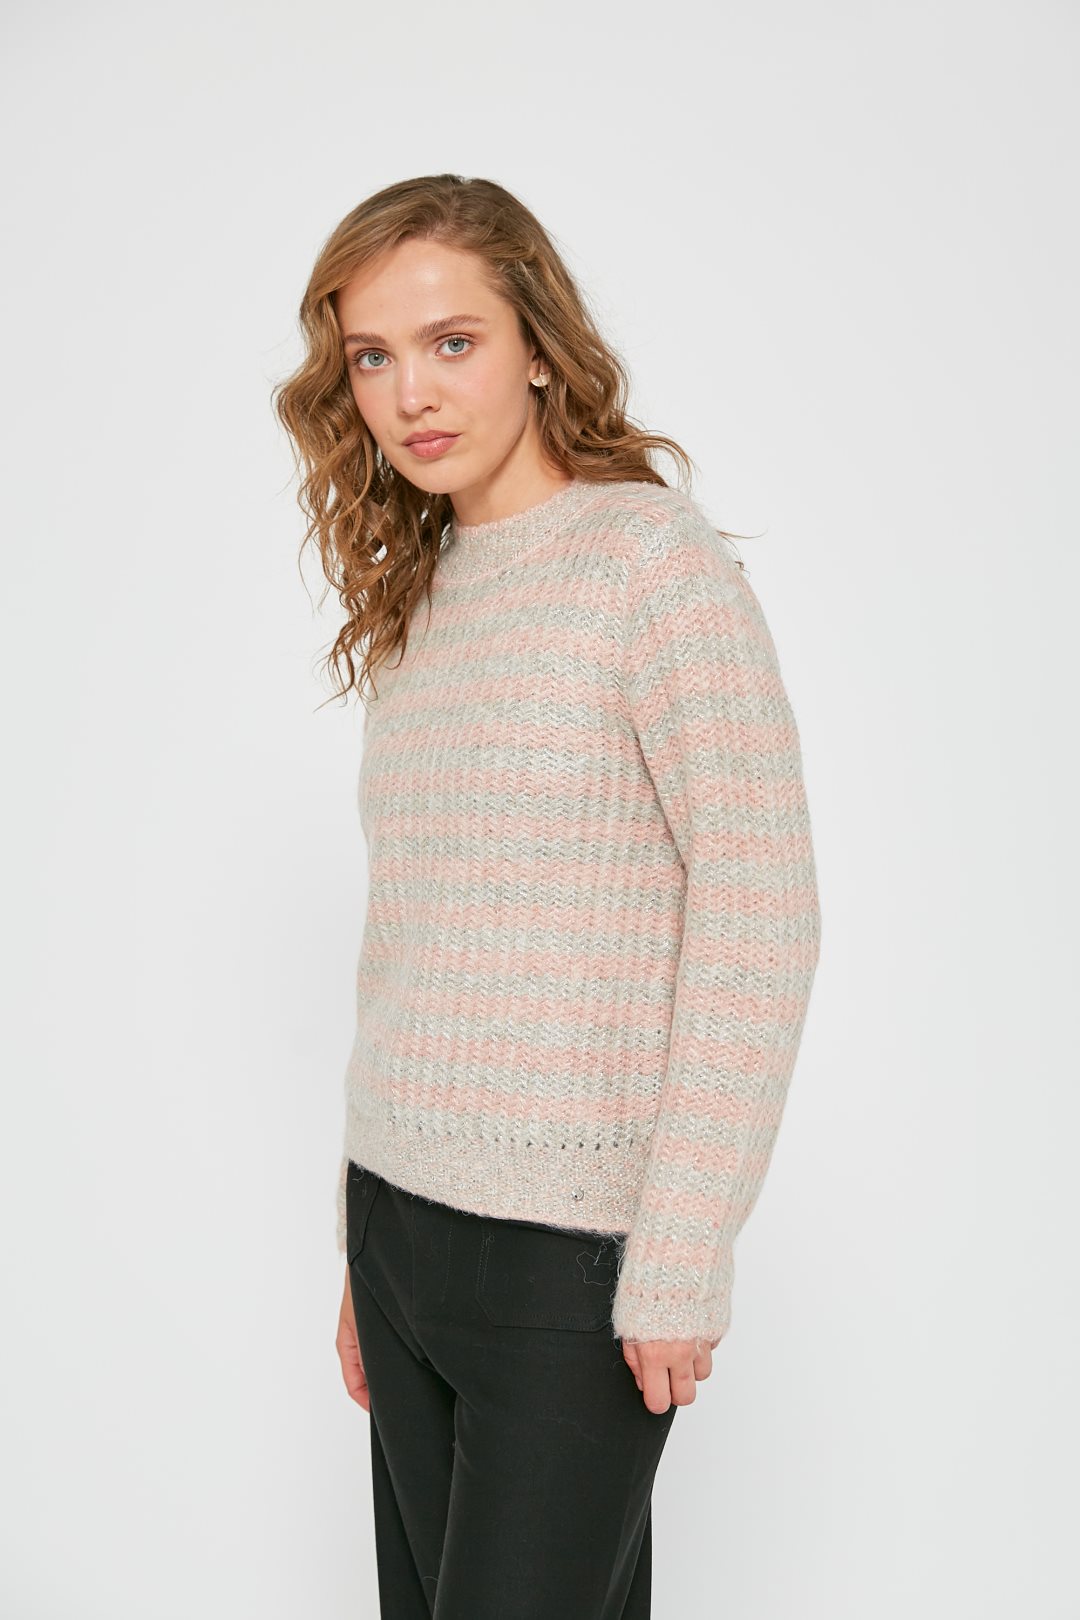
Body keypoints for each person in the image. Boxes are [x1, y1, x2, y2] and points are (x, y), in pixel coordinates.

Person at [273, 173, 822, 1619]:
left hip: (568, 1263)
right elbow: (410, 944)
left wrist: (682, 1250)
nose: (409, 394)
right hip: (400, 1229)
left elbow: (761, 913)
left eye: (451, 342)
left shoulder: (652, 566)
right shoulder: (427, 590)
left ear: (536, 344)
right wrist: (363, 1249)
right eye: (372, 357)